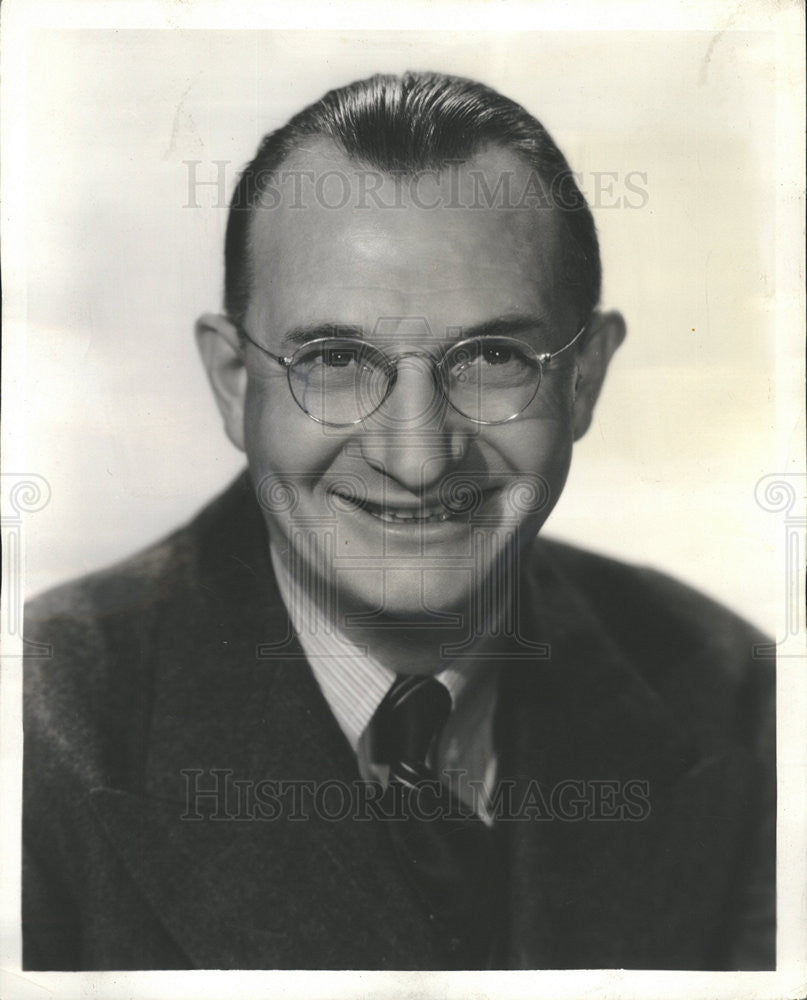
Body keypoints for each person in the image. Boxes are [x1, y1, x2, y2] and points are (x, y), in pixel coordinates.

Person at [23, 71, 775, 971]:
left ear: (584, 379)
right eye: (336, 359)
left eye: (491, 357)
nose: (416, 458)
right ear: (233, 383)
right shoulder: (38, 741)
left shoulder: (734, 699)